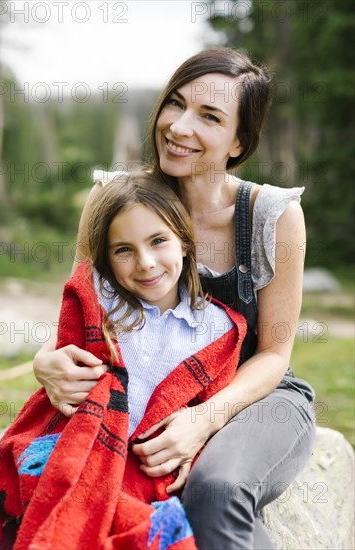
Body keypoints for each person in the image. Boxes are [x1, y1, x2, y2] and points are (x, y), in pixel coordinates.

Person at [33, 47, 316, 549]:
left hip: (256, 398)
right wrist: (46, 362)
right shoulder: (112, 199)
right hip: (145, 399)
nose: (179, 127)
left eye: (209, 116)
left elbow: (274, 354)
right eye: (176, 104)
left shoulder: (274, 216)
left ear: (239, 142)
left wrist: (203, 421)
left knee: (216, 488)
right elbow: (80, 314)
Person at [0, 171, 246, 549]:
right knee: (48, 494)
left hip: (146, 467)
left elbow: (208, 407)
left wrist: (196, 447)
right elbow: (65, 362)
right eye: (123, 249)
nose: (145, 263)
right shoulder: (100, 302)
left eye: (158, 241)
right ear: (107, 258)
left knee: (153, 527)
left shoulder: (216, 329)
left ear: (185, 242)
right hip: (81, 446)